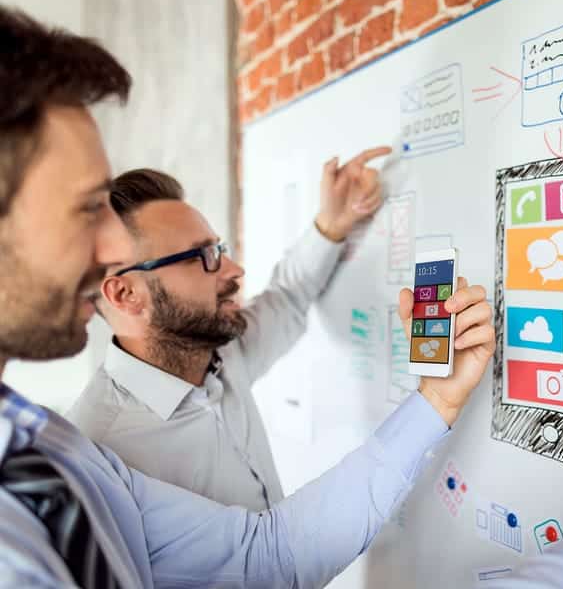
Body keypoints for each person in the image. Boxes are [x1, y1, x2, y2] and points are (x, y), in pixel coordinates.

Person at [0, 6, 563, 589]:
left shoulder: (66, 447)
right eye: (84, 211)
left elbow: (269, 556)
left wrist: (342, 248)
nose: (230, 270)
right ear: (126, 295)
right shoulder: (93, 450)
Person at [66, 160, 401, 511]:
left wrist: (332, 224)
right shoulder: (97, 459)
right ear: (126, 295)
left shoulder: (221, 352)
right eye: (202, 256)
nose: (234, 271)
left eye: (219, 249)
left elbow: (286, 297)